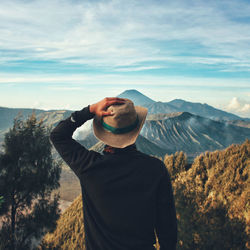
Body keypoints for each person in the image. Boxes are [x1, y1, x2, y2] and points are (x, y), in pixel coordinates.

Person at [50, 97, 177, 250]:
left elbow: (58, 135)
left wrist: (90, 110)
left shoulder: (89, 167)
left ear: (104, 132)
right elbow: (167, 230)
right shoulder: (156, 169)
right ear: (136, 130)